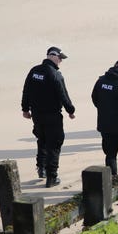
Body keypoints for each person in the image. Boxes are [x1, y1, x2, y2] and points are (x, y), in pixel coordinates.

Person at [21, 46, 75, 188]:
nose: (61, 62)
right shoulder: (55, 74)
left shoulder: (34, 71)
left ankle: (42, 168)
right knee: (54, 144)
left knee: (42, 140)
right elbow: (63, 95)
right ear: (53, 56)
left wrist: (25, 109)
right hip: (52, 115)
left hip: (37, 115)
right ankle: (52, 177)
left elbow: (26, 91)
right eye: (60, 58)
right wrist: (71, 110)